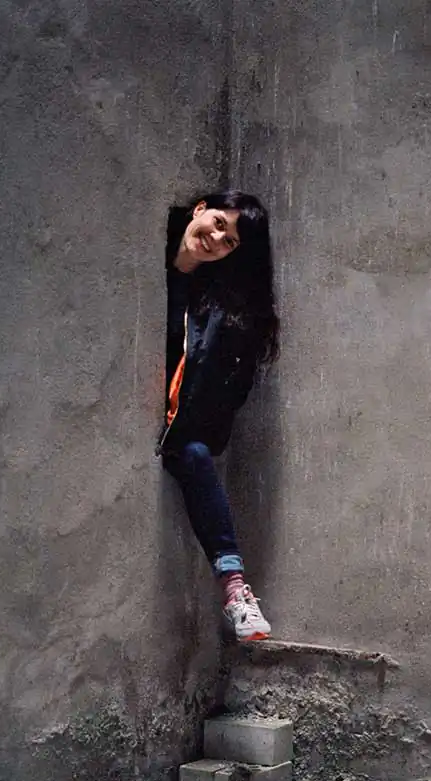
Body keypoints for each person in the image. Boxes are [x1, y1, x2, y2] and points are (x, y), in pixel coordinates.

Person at [155, 191, 279, 640]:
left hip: (179, 432)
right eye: (219, 223)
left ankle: (235, 591)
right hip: (161, 425)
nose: (216, 239)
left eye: (229, 242)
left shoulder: (214, 305)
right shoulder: (156, 272)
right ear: (200, 209)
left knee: (195, 454)